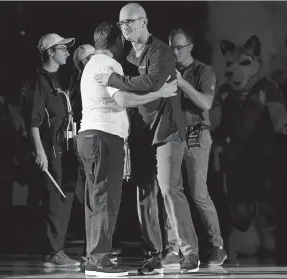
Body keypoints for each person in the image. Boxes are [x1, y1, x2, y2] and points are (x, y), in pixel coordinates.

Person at [94, 3, 200, 274]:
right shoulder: (127, 57)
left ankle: (189, 253)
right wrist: (121, 83)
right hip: (140, 133)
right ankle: (153, 253)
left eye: (130, 21)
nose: (125, 27)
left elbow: (152, 82)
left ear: (144, 22)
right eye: (121, 23)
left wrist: (115, 80)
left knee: (169, 189)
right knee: (144, 194)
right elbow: (132, 96)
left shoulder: (162, 51)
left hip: (167, 131)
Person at [77, 22, 178, 277]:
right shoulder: (109, 65)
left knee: (94, 199)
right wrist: (162, 92)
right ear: (118, 42)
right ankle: (99, 261)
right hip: (105, 137)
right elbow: (123, 99)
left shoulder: (91, 64)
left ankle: (94, 257)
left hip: (88, 135)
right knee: (105, 200)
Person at [165, 28, 227, 266]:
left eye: (178, 47)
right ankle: (173, 247)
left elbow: (205, 103)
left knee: (199, 194)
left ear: (190, 47)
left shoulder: (204, 71)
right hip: (172, 136)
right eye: (171, 47)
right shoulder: (169, 72)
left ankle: (217, 245)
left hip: (196, 134)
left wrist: (182, 84)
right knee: (170, 191)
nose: (174, 52)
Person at [25, 33, 80, 267]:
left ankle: (56, 250)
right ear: (50, 52)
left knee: (64, 197)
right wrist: (40, 152)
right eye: (62, 49)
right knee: (55, 199)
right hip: (51, 150)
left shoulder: (54, 79)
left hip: (64, 148)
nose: (67, 52)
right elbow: (33, 120)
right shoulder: (39, 81)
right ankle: (53, 252)